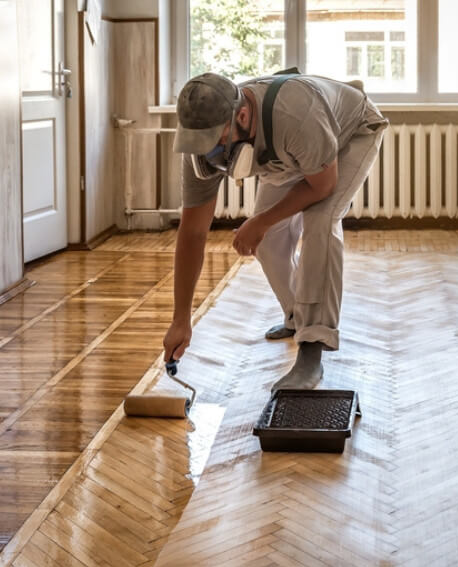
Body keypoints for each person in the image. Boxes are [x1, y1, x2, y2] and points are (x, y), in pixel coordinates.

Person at [163, 71, 387, 390]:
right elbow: (193, 233)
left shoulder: (296, 113)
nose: (210, 156)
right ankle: (297, 317)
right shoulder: (199, 146)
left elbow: (322, 186)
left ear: (242, 115)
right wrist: (180, 319)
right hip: (290, 151)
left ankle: (312, 352)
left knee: (321, 222)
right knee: (267, 241)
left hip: (349, 133)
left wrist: (261, 220)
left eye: (216, 143)